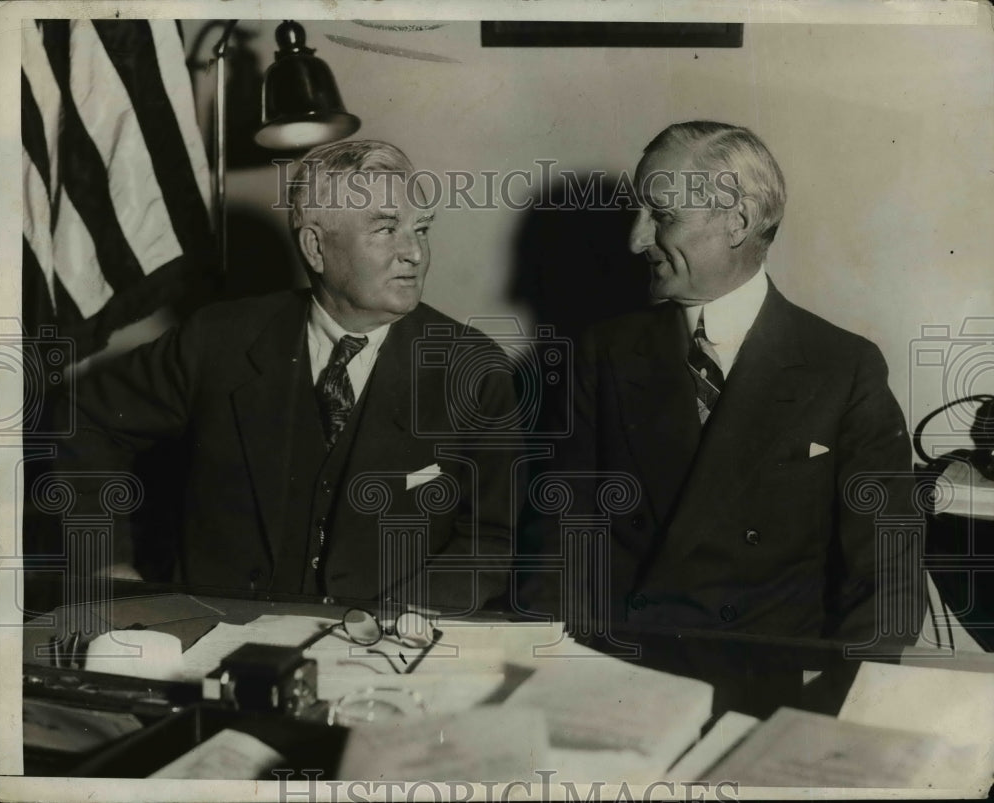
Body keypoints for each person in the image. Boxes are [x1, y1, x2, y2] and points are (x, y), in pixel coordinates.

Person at [53, 140, 517, 611]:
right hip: (216, 637)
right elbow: (84, 418)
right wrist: (104, 565)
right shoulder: (218, 340)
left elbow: (492, 539)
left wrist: (403, 617)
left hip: (379, 658)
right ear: (316, 247)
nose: (414, 253)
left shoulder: (473, 371)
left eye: (420, 229)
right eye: (385, 229)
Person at [521, 121, 920, 654]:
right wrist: (551, 666)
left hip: (769, 678)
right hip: (618, 669)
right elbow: (558, 546)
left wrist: (839, 709)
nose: (636, 239)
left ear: (738, 221)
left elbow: (886, 578)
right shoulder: (603, 354)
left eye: (662, 216)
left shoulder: (844, 368)